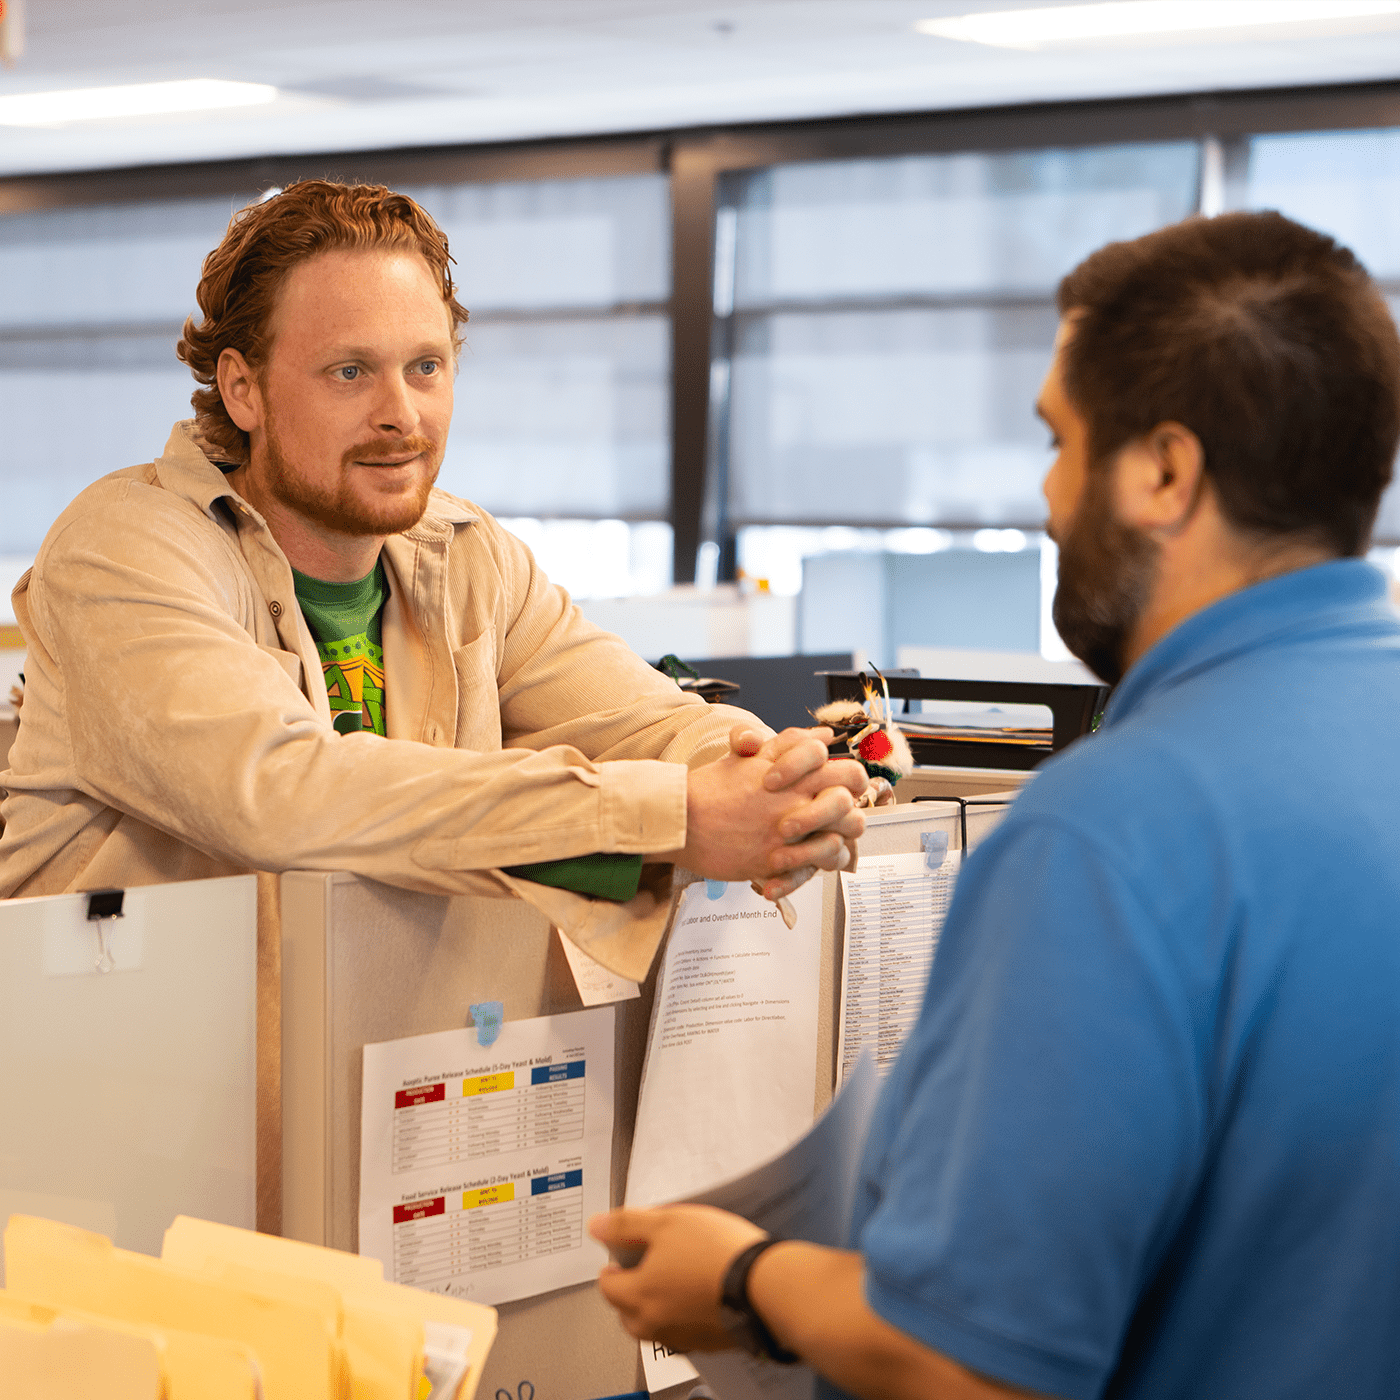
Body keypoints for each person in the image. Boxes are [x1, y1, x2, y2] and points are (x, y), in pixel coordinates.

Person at [591, 209, 1400, 1396]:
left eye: (1058, 440)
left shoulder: (1114, 830)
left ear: (1162, 470)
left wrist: (742, 1280)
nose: (1045, 493)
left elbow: (965, 1358)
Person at [0, 180, 867, 973]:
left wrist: (774, 779)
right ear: (243, 390)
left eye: (425, 367)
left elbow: (640, 719)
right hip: (129, 1103)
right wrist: (673, 816)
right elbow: (285, 796)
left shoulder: (465, 555)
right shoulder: (125, 546)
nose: (400, 414)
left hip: (377, 1086)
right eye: (350, 372)